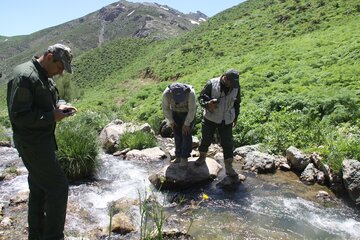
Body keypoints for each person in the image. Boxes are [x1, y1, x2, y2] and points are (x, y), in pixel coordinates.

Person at [7, 43, 77, 240]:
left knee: (39, 189)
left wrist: (61, 106)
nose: (61, 72)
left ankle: (36, 236)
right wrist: (52, 117)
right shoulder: (25, 76)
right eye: (60, 67)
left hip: (41, 142)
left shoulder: (43, 76)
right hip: (32, 144)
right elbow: (19, 116)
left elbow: (48, 102)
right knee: (58, 187)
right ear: (49, 57)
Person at [195, 69, 241, 177]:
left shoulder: (236, 87)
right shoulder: (211, 84)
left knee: (228, 143)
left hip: (227, 118)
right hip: (210, 117)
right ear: (225, 78)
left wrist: (236, 117)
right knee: (206, 138)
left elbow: (237, 103)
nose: (233, 85)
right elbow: (201, 98)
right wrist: (207, 104)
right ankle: (202, 157)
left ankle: (229, 167)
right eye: (231, 83)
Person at [162, 83, 196, 167]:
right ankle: (178, 156)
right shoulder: (166, 94)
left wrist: (187, 123)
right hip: (175, 113)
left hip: (188, 113)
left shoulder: (191, 93)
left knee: (186, 133)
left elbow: (192, 110)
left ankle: (184, 157)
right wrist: (171, 121)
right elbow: (165, 108)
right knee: (177, 134)